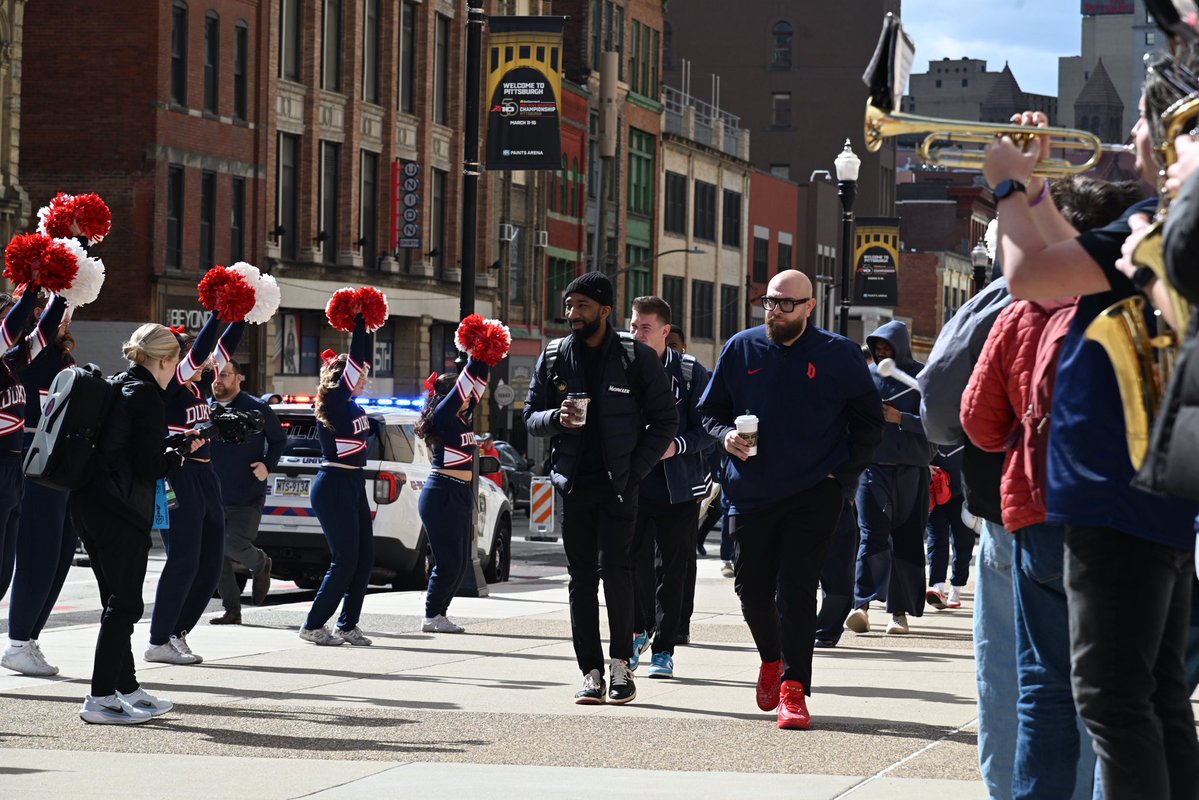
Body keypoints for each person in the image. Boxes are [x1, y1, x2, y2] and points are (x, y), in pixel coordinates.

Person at [983, 97, 1199, 798]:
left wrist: (1006, 186)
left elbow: (1026, 276)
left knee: (1111, 700)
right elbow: (1061, 253)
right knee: (1156, 694)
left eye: (1145, 121)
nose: (1133, 133)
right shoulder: (1155, 227)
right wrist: (1039, 190)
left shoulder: (1166, 230)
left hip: (1113, 488)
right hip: (1142, 490)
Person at [698, 269, 883, 729]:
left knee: (798, 591)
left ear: (810, 306)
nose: (775, 312)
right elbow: (709, 411)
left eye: (785, 304)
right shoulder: (741, 348)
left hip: (813, 494)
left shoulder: (838, 354)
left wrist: (841, 479)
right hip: (750, 491)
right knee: (751, 590)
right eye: (769, 303)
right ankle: (771, 658)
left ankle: (794, 689)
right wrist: (725, 438)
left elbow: (869, 423)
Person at [524, 271, 677, 705]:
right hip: (573, 487)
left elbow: (665, 420)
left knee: (618, 574)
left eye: (582, 306)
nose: (572, 314)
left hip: (618, 488)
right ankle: (590, 672)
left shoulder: (634, 356)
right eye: (569, 305)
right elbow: (530, 416)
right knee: (580, 580)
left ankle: (621, 668)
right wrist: (556, 418)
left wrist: (634, 471)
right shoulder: (554, 357)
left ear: (605, 311)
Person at [73, 323, 202, 723]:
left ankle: (126, 687)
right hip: (120, 509)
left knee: (115, 601)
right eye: (175, 362)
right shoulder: (147, 395)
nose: (175, 370)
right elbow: (149, 466)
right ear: (164, 360)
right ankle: (99, 698)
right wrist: (179, 456)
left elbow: (124, 448)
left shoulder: (118, 382)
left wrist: (167, 449)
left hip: (88, 502)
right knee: (125, 604)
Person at [145, 314, 245, 664]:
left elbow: (222, 349)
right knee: (183, 560)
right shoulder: (172, 384)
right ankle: (158, 639)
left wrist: (242, 314)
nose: (206, 364)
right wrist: (219, 313)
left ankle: (177, 633)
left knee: (211, 564)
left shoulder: (199, 388)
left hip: (206, 476)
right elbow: (204, 348)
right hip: (178, 476)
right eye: (195, 360)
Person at [627, 295, 715, 678]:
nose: (636, 334)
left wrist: (676, 445)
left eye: (644, 327)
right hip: (632, 483)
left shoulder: (692, 373)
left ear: (665, 331)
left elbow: (711, 426)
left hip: (678, 486)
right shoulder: (620, 368)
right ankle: (635, 632)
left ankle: (664, 647)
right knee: (630, 565)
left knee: (673, 568)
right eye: (633, 326)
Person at [415, 316, 507, 634]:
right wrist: (475, 349)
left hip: (459, 493)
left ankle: (439, 614)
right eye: (460, 393)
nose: (468, 397)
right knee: (450, 561)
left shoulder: (462, 417)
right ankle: (431, 615)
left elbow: (476, 382)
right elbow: (467, 385)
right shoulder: (444, 415)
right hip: (442, 493)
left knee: (459, 561)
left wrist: (483, 353)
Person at [845, 320, 933, 636]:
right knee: (871, 535)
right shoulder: (867, 378)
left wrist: (902, 419)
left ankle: (898, 612)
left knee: (907, 539)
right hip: (874, 467)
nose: (883, 352)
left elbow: (939, 423)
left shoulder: (922, 377)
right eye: (878, 347)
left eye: (888, 347)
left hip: (912, 468)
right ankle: (862, 605)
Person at [1, 292, 73, 676]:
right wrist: (43, 283)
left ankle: (26, 639)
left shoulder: (43, 359)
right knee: (35, 553)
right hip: (23, 456)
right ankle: (18, 641)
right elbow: (33, 327)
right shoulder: (12, 356)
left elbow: (45, 331)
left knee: (55, 554)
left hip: (41, 462)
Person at [299, 311, 375, 646]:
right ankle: (314, 625)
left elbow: (360, 362)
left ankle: (347, 625)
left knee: (364, 557)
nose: (365, 380)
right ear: (346, 378)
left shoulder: (355, 406)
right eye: (361, 375)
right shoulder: (335, 401)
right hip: (333, 485)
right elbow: (357, 359)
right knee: (344, 559)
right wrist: (361, 324)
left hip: (354, 483)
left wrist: (370, 327)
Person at [208, 359, 286, 625]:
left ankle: (261, 563)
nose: (218, 380)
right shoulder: (207, 409)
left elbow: (278, 440)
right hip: (213, 493)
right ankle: (232, 609)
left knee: (231, 544)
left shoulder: (257, 408)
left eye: (225, 375)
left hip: (246, 494)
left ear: (239, 378)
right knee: (216, 553)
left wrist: (267, 464)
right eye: (216, 375)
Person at [0, 286, 48, 604]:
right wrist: (31, 285)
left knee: (4, 574)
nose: (15, 328)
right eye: (6, 320)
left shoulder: (10, 364)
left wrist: (62, 293)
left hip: (13, 469)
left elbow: (43, 334)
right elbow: (11, 327)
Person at [924, 444, 972, 610]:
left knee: (963, 541)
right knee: (936, 540)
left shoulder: (966, 431)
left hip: (963, 497)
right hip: (936, 494)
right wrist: (926, 467)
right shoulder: (930, 428)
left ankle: (956, 587)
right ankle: (937, 586)